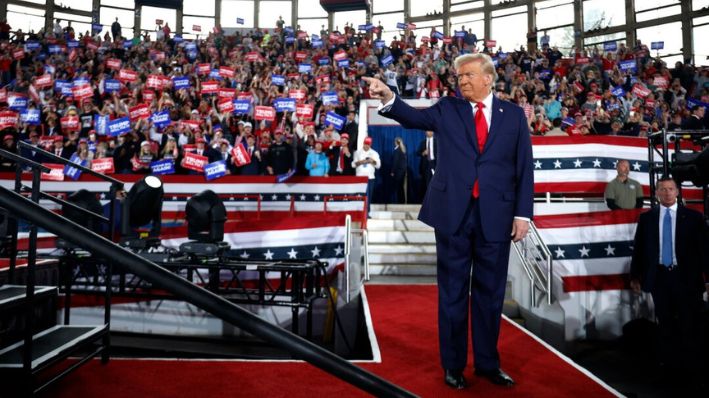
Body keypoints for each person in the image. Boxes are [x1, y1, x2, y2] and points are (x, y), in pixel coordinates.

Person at [362, 52, 534, 390]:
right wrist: (389, 97)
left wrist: (522, 213)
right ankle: (453, 366)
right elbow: (412, 117)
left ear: (489, 78)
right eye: (459, 76)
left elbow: (524, 167)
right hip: (454, 215)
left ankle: (487, 364)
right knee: (453, 294)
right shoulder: (448, 109)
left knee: (490, 296)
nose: (462, 81)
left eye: (469, 75)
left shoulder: (513, 116)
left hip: (496, 218)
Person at [630, 177, 708, 392]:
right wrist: (635, 276)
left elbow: (704, 251)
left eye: (670, 189)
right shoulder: (647, 219)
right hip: (660, 279)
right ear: (656, 193)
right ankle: (668, 373)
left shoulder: (693, 217)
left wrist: (707, 279)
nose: (666, 193)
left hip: (686, 280)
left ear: (678, 192)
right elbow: (640, 249)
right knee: (665, 327)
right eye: (662, 189)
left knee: (689, 326)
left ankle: (692, 375)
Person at [352, 137, 380, 216]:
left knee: (368, 196)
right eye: (365, 144)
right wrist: (360, 162)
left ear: (370, 145)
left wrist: (372, 161)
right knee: (359, 195)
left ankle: (367, 213)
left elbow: (378, 165)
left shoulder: (374, 153)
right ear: (363, 144)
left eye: (368, 144)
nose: (366, 146)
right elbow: (353, 165)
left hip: (370, 177)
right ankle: (358, 212)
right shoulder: (358, 153)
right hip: (359, 177)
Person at [390, 137, 408, 204]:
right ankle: (402, 201)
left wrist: (392, 171)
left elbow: (395, 162)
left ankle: (400, 201)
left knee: (399, 187)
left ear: (395, 142)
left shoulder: (397, 150)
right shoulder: (402, 150)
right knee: (401, 186)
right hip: (402, 171)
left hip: (398, 172)